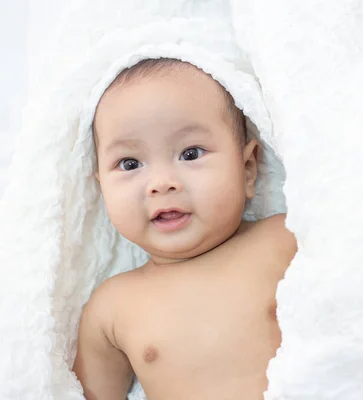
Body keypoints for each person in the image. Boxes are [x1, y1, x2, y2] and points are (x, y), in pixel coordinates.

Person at [72, 57, 297, 400]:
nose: (162, 183)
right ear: (101, 188)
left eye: (191, 153)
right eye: (130, 163)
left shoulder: (284, 239)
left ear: (248, 169)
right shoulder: (111, 307)